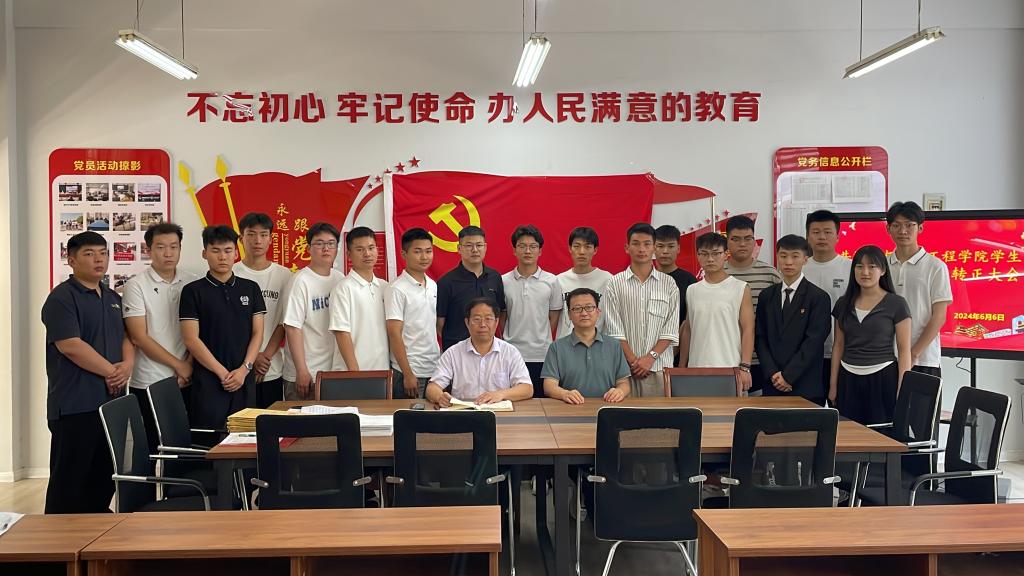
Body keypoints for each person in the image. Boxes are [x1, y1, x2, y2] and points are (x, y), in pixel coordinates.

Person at [42, 231, 134, 513]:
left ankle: (94, 532)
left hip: (111, 404)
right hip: (76, 404)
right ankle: (58, 538)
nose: (98, 260)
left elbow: (126, 337)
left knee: (103, 478)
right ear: (71, 260)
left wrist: (128, 365)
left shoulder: (111, 296)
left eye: (103, 253)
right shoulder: (62, 298)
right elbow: (70, 345)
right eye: (89, 254)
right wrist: (112, 371)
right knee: (69, 483)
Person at [180, 226, 266, 435]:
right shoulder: (192, 291)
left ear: (236, 253)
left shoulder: (251, 288)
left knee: (245, 439)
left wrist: (245, 369)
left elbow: (258, 333)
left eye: (228, 250)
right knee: (209, 441)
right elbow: (191, 339)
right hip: (208, 381)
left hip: (244, 379)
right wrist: (222, 374)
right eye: (215, 251)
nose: (222, 256)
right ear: (204, 253)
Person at [122, 222, 196, 454]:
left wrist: (188, 366)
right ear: (148, 250)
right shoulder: (136, 285)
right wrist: (180, 366)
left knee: (185, 448)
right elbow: (139, 337)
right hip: (149, 380)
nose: (168, 253)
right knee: (151, 449)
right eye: (161, 247)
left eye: (174, 247)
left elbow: (200, 332)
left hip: (187, 380)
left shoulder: (192, 282)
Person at [829, 245, 913, 425]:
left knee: (880, 434)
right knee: (848, 434)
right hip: (847, 377)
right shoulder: (843, 304)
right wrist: (833, 384)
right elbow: (838, 345)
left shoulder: (897, 304)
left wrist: (902, 389)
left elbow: (904, 350)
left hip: (883, 377)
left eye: (872, 266)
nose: (865, 272)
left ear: (883, 270)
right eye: (859, 266)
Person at [603, 223, 680, 397]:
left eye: (647, 244)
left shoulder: (668, 284)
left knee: (660, 414)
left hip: (659, 368)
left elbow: (670, 329)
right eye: (636, 243)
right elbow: (614, 330)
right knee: (623, 414)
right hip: (623, 371)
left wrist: (650, 358)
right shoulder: (615, 283)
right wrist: (633, 361)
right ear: (627, 248)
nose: (641, 249)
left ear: (654, 248)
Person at [754, 235, 831, 404]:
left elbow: (814, 341)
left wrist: (788, 376)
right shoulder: (767, 296)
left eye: (795, 256)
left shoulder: (818, 297)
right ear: (777, 257)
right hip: (772, 383)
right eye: (783, 256)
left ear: (805, 259)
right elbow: (760, 337)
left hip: (806, 385)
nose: (788, 262)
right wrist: (773, 373)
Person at [679, 232, 754, 394]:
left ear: (726, 254)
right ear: (698, 256)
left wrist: (745, 367)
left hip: (730, 368)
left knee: (731, 411)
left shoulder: (740, 288)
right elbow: (688, 330)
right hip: (696, 369)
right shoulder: (692, 290)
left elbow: (748, 329)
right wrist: (682, 367)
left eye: (715, 253)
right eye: (704, 254)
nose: (710, 259)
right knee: (697, 410)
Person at [886, 201, 953, 378]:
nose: (903, 231)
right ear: (888, 229)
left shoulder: (935, 266)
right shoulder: (881, 266)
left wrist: (914, 353)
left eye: (909, 225)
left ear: (920, 228)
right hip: (886, 358)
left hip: (923, 359)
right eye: (896, 225)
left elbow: (939, 316)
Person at [233, 212, 293, 408]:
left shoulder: (284, 275)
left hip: (271, 367)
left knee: (270, 421)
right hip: (237, 368)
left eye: (263, 234)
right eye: (251, 234)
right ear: (241, 239)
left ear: (270, 239)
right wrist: (252, 359)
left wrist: (264, 356)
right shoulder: (231, 273)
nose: (257, 240)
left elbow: (283, 322)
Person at [425, 297, 533, 407]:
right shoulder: (453, 353)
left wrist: (501, 394)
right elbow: (432, 388)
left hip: (499, 412)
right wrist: (440, 397)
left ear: (496, 322)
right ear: (467, 322)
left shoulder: (510, 352)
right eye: (476, 319)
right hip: (463, 412)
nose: (482, 324)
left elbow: (527, 388)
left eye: (488, 319)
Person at [282, 222, 344, 400]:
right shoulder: (300, 281)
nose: (326, 248)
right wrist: (302, 370)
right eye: (319, 243)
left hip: (332, 371)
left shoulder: (339, 279)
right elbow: (292, 328)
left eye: (331, 243)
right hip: (306, 374)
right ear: (308, 248)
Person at [723, 215, 781, 395]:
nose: (742, 244)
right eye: (736, 239)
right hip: (727, 357)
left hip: (763, 359)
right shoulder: (718, 273)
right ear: (727, 242)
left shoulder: (770, 274)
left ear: (755, 241)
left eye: (748, 239)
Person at [502, 225, 562, 396]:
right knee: (514, 400)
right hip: (511, 353)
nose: (527, 251)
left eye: (533, 246)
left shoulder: (552, 281)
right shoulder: (503, 281)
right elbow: (502, 317)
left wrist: (540, 337)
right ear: (514, 250)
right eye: (522, 246)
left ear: (540, 251)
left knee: (542, 402)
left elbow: (553, 317)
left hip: (542, 354)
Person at [542, 288, 630, 403]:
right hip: (571, 407)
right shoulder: (557, 347)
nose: (584, 313)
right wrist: (564, 394)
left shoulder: (614, 345)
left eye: (589, 307)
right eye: (577, 309)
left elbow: (624, 383)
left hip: (606, 407)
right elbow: (549, 386)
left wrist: (620, 391)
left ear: (598, 312)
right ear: (569, 314)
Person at [803, 209, 852, 402]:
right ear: (808, 237)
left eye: (827, 232)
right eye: (816, 232)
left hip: (842, 353)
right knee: (809, 411)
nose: (822, 237)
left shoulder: (851, 268)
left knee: (840, 410)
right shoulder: (800, 269)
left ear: (837, 236)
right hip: (807, 355)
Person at [385, 228, 440, 399]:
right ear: (404, 254)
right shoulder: (397, 289)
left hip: (433, 368)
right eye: (417, 251)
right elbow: (394, 333)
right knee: (410, 415)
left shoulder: (432, 285)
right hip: (409, 371)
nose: (424, 257)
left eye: (428, 251)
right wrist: (408, 374)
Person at [436, 226, 506, 351]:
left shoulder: (495, 277)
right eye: (469, 245)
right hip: (456, 351)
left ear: (485, 247)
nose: (475, 250)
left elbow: (500, 312)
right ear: (459, 248)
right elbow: (440, 323)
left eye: (479, 245)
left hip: (489, 351)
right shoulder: (446, 282)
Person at [331, 226, 389, 371]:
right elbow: (341, 332)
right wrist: (355, 372)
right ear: (349, 254)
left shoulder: (385, 287)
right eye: (360, 249)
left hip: (382, 371)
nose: (367, 254)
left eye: (371, 248)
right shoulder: (343, 288)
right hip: (353, 372)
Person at [555, 227, 613, 339]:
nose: (582, 252)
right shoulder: (558, 281)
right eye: (577, 246)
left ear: (595, 250)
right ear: (570, 249)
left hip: (597, 344)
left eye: (587, 247)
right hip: (565, 344)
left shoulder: (608, 280)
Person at [654, 225, 698, 366]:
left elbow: (690, 322)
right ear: (653, 248)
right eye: (660, 246)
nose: (665, 251)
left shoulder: (689, 281)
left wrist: (676, 351)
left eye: (671, 246)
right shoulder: (645, 279)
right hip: (646, 356)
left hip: (680, 357)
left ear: (678, 248)